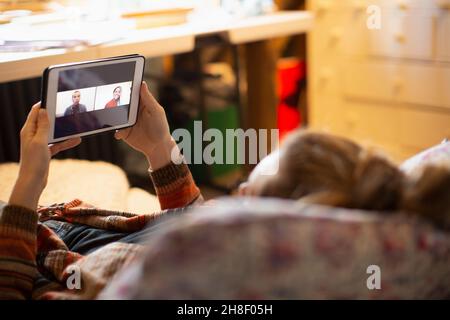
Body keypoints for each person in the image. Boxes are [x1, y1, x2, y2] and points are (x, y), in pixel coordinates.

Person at [1, 81, 449, 299]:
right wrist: (161, 149)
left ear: (269, 219)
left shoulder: (182, 269)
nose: (227, 201)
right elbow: (198, 228)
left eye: (243, 190)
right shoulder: (229, 258)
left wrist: (26, 188)